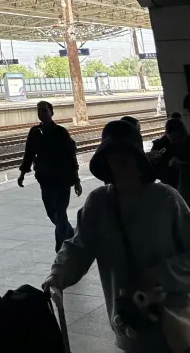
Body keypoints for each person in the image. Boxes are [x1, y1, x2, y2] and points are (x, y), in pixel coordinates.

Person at [46, 119, 190, 353]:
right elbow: (79, 247)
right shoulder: (98, 203)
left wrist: (159, 274)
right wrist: (58, 274)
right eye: (112, 154)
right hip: (129, 323)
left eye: (126, 153)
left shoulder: (166, 199)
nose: (119, 160)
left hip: (174, 324)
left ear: (138, 158)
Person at [18, 100, 82, 250]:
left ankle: (62, 246)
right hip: (45, 179)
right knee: (52, 213)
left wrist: (76, 180)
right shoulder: (34, 132)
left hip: (62, 179)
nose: (41, 114)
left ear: (52, 113)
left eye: (44, 110)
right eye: (39, 111)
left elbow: (71, 157)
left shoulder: (61, 132)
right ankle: (71, 236)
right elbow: (29, 154)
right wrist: (22, 174)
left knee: (60, 212)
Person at [150, 114, 190, 202]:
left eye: (175, 138)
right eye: (171, 137)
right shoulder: (160, 145)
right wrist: (155, 162)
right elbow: (152, 171)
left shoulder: (187, 143)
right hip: (170, 186)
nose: (173, 141)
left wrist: (179, 164)